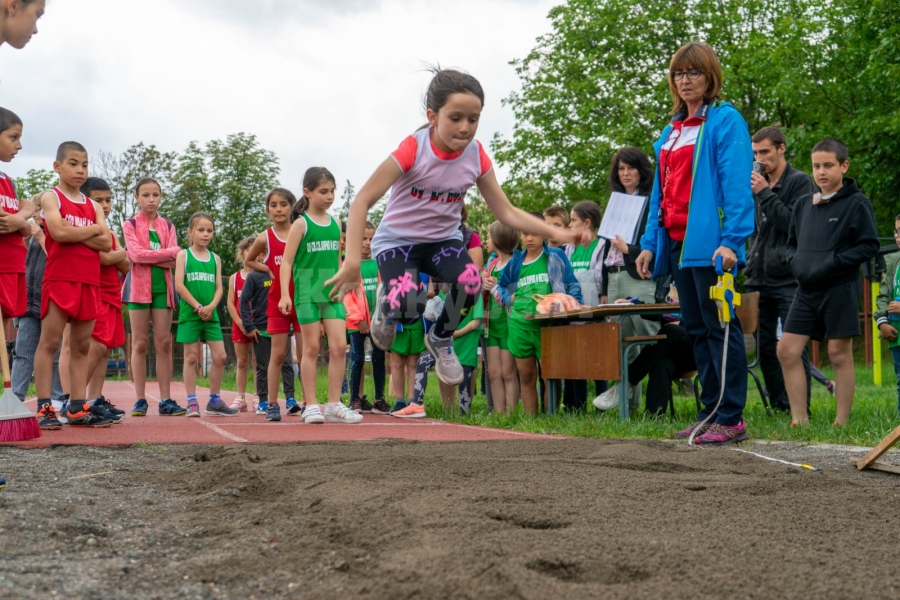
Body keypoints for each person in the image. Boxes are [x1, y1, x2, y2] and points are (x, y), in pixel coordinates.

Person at [327, 68, 586, 390]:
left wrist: (557, 233)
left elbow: (504, 210)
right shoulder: (413, 149)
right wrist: (352, 260)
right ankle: (388, 305)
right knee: (409, 311)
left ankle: (441, 337)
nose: (465, 128)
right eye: (456, 118)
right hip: (398, 241)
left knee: (470, 282)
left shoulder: (476, 156)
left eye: (473, 119)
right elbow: (361, 201)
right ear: (433, 116)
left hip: (442, 241)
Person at [635, 42, 755, 445]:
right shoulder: (671, 130)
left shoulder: (724, 121)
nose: (685, 80)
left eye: (694, 73)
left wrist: (732, 240)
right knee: (698, 329)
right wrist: (650, 242)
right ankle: (709, 413)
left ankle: (731, 416)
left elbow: (738, 186)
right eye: (678, 74)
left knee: (721, 327)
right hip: (676, 242)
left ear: (710, 77)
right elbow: (660, 192)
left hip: (710, 243)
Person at [777, 138, 878, 426]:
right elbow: (791, 243)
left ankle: (841, 421)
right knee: (787, 350)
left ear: (844, 166)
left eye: (828, 166)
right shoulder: (801, 205)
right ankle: (800, 419)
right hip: (805, 290)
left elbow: (868, 245)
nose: (821, 172)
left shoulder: (857, 203)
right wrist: (795, 262)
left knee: (838, 352)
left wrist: (833, 262)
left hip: (840, 288)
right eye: (816, 166)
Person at [34, 142, 114, 429]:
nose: (80, 170)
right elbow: (57, 231)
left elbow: (106, 243)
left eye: (84, 165)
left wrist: (76, 231)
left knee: (82, 346)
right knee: (50, 343)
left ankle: (77, 406)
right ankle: (44, 407)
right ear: (57, 166)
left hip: (89, 281)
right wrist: (92, 229)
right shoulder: (50, 198)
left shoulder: (92, 205)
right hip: (60, 278)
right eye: (73, 163)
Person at [279, 167, 361, 425]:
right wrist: (284, 294)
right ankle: (311, 405)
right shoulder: (301, 224)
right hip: (306, 290)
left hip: (333, 293)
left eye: (332, 191)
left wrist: (346, 289)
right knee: (312, 348)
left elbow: (339, 261)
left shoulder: (336, 224)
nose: (329, 196)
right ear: (307, 192)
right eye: (323, 191)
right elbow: (287, 262)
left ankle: (334, 405)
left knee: (339, 346)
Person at [745, 126, 815, 413]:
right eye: (755, 153)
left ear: (781, 149)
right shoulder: (755, 185)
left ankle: (800, 407)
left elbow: (795, 225)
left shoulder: (800, 183)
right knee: (764, 347)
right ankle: (780, 405)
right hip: (758, 276)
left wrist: (765, 194)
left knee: (794, 346)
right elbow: (753, 228)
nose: (760, 159)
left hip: (789, 279)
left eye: (765, 152)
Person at [497, 213, 582, 415]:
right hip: (520, 325)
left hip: (549, 326)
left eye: (535, 234)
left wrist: (574, 304)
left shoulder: (555, 256)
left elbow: (572, 284)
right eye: (525, 234)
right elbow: (501, 287)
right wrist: (509, 299)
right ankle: (532, 421)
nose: (529, 239)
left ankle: (550, 417)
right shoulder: (515, 262)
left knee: (550, 376)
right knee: (526, 375)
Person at [122, 177, 182, 417]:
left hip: (162, 289)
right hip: (138, 289)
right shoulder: (130, 225)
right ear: (137, 197)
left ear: (161, 197)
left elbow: (176, 257)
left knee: (164, 343)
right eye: (146, 195)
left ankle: (166, 400)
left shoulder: (168, 226)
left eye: (155, 195)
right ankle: (140, 400)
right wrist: (163, 254)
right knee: (139, 343)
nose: (151, 199)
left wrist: (152, 254)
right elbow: (135, 255)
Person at [594, 284, 696, 416]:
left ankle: (625, 385)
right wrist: (634, 304)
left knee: (668, 331)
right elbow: (660, 312)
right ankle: (653, 417)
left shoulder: (698, 274)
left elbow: (705, 312)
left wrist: (681, 324)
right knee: (662, 362)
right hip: (677, 349)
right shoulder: (666, 280)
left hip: (702, 347)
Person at [245, 188, 303, 416]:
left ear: (292, 207)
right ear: (268, 209)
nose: (278, 209)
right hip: (277, 303)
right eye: (273, 205)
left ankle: (309, 404)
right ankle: (271, 404)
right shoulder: (265, 237)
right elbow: (249, 260)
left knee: (306, 353)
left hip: (302, 301)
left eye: (283, 204)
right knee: (277, 355)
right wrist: (268, 267)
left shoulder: (301, 232)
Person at [174, 212, 238, 417]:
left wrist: (210, 307)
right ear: (191, 232)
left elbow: (220, 288)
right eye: (201, 230)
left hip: (211, 315)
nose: (205, 234)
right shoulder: (183, 255)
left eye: (209, 230)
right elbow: (179, 285)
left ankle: (214, 400)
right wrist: (198, 306)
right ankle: (192, 401)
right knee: (191, 357)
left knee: (220, 356)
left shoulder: (215, 259)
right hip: (191, 314)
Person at [81, 177, 128, 421]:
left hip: (112, 293)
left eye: (108, 200)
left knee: (105, 349)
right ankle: (75, 401)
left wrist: (118, 253)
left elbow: (127, 265)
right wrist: (119, 252)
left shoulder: (109, 232)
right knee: (96, 346)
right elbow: (105, 259)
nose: (105, 204)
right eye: (98, 200)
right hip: (94, 291)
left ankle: (94, 400)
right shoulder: (85, 229)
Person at [11, 197, 63, 406]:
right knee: (23, 353)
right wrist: (24, 239)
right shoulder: (26, 236)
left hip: (51, 303)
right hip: (27, 304)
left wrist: (42, 238)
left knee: (55, 353)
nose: (36, 215)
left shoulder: (57, 235)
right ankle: (15, 398)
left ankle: (57, 397)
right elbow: (15, 262)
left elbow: (59, 261)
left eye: (40, 210)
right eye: (35, 211)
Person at [565, 201, 609, 411]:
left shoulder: (601, 246)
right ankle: (578, 408)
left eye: (573, 220)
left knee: (598, 360)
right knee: (575, 360)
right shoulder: (569, 248)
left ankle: (601, 408)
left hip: (595, 312)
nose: (570, 225)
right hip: (572, 313)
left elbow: (600, 278)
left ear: (587, 222)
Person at [239, 253, 296, 417]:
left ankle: (291, 399)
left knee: (287, 363)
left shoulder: (286, 272)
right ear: (263, 255)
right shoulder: (254, 276)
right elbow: (244, 301)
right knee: (263, 366)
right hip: (261, 328)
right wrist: (248, 325)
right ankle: (263, 400)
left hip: (283, 325)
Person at [412, 287, 484, 415]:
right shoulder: (446, 293)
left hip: (465, 347)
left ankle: (463, 415)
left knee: (464, 387)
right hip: (444, 347)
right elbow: (433, 314)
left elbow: (477, 322)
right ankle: (416, 405)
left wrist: (456, 333)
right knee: (422, 363)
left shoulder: (474, 293)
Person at [344, 221, 388, 413]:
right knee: (358, 358)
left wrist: (383, 316)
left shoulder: (380, 263)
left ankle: (379, 399)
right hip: (357, 323)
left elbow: (385, 290)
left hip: (378, 322)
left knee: (379, 359)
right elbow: (346, 295)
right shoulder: (349, 264)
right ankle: (354, 398)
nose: (367, 243)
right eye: (363, 238)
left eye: (371, 239)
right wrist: (358, 318)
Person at [482, 221, 519, 413]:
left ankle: (511, 414)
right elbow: (485, 292)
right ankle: (499, 414)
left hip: (508, 324)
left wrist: (495, 287)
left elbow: (512, 295)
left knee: (508, 372)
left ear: (499, 238)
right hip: (491, 324)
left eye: (489, 236)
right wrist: (484, 285)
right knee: (494, 372)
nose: (486, 240)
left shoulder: (515, 263)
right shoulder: (493, 263)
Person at [0, 107, 31, 334]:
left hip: (13, 265)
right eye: (13, 137)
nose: (18, 145)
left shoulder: (9, 181)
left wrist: (20, 221)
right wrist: (24, 214)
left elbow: (24, 231)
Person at [227, 236, 256, 412]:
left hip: (258, 324)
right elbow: (230, 303)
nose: (251, 252)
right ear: (242, 252)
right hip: (240, 325)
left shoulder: (263, 276)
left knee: (259, 362)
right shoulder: (234, 278)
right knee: (242, 361)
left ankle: (259, 396)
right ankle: (241, 397)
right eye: (248, 249)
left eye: (256, 249)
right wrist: (240, 322)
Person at [875, 214, 900, 414]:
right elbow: (883, 295)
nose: (898, 236)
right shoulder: (893, 263)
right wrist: (882, 322)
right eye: (897, 231)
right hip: (896, 333)